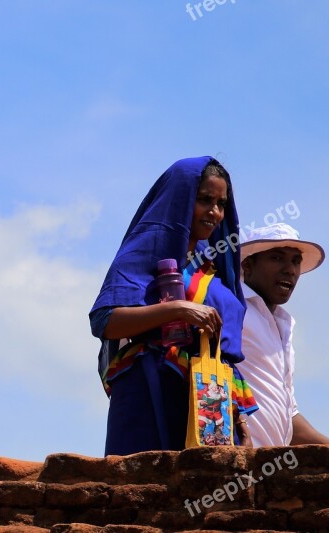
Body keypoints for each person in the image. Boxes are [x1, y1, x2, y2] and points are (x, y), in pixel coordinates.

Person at [89, 156, 257, 456]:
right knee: (146, 492)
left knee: (208, 492)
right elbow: (106, 321)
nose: (215, 212)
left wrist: (237, 412)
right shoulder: (146, 252)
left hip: (209, 399)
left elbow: (226, 348)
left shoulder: (215, 263)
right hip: (150, 392)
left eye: (221, 203)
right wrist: (177, 309)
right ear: (180, 200)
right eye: (205, 200)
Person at [239, 223, 329, 446]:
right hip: (232, 463)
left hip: (266, 470)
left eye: (295, 261)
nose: (290, 269)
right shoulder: (232, 307)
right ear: (247, 266)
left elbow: (288, 416)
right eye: (277, 258)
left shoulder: (282, 323)